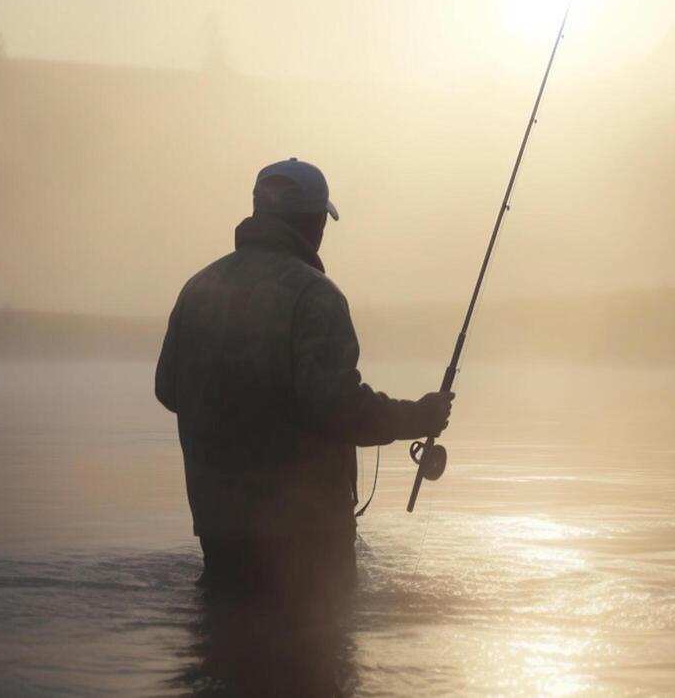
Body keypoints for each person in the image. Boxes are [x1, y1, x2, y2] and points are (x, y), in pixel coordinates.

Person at [155, 157, 453, 605]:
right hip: (306, 540)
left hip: (219, 528)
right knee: (316, 661)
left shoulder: (198, 288)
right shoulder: (315, 295)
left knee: (222, 651)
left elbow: (167, 390)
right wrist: (420, 416)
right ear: (314, 222)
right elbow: (337, 408)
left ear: (259, 213)